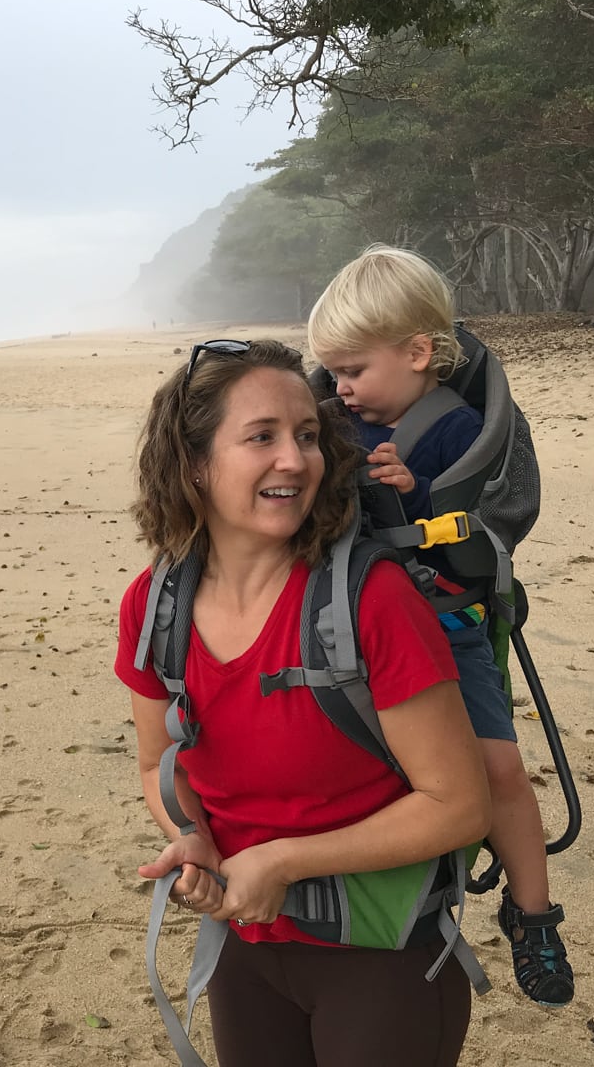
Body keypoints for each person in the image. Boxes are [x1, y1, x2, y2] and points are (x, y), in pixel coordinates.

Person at [115, 337, 492, 1067]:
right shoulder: (155, 603)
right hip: (243, 951)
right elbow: (159, 762)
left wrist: (285, 861)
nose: (296, 459)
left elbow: (460, 804)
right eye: (262, 437)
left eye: (309, 436)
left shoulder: (371, 602)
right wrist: (190, 833)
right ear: (193, 462)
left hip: (381, 957)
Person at [306, 244, 575, 1007]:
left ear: (418, 352)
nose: (341, 388)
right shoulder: (330, 424)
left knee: (498, 773)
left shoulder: (460, 432)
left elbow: (470, 539)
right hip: (351, 629)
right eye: (331, 373)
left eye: (354, 370)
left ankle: (533, 914)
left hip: (448, 627)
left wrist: (413, 492)